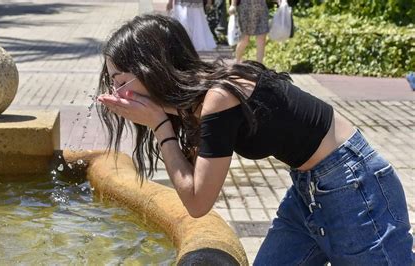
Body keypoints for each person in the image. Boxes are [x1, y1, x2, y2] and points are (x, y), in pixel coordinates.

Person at [96, 14, 414, 265]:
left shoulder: (219, 96)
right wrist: (165, 117)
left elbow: (197, 201)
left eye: (120, 82)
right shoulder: (193, 104)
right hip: (309, 190)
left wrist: (159, 126)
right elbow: (194, 184)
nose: (117, 95)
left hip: (352, 183)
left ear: (152, 70)